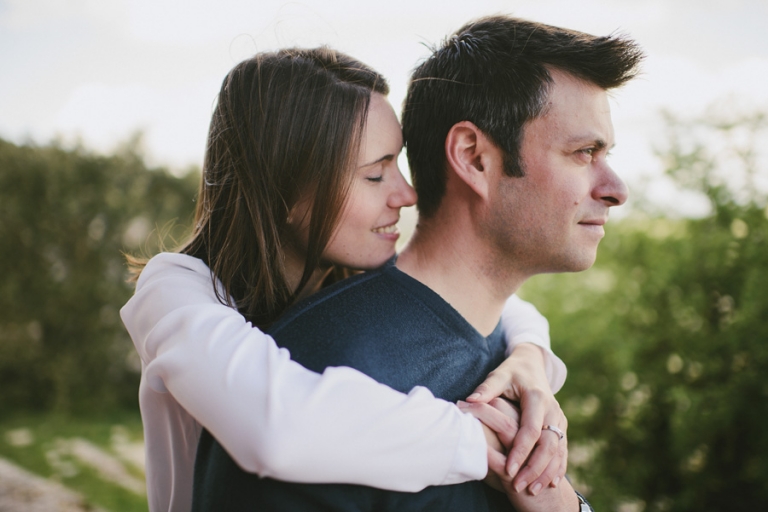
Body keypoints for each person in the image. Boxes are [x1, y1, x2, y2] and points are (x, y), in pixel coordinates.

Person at [191, 15, 643, 512]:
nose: (615, 189)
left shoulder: (512, 356)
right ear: (473, 158)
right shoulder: (308, 378)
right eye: (583, 153)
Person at [121, 46, 568, 512]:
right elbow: (276, 427)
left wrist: (530, 358)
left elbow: (499, 303)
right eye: (376, 175)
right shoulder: (174, 290)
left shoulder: (345, 273)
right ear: (284, 187)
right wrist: (486, 445)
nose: (407, 193)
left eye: (398, 163)